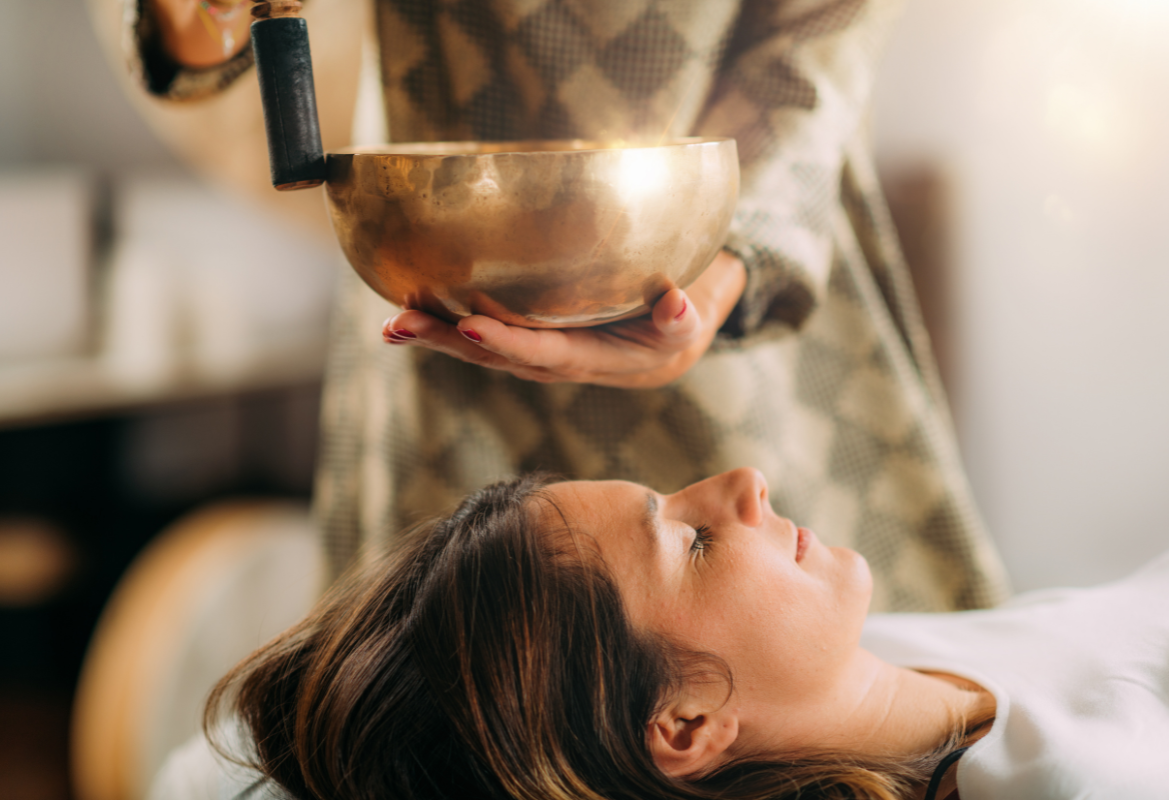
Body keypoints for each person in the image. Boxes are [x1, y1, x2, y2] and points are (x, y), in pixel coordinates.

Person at [126, 0, 1009, 612]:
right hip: (433, 309)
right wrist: (207, 12)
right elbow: (203, 41)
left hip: (729, 293)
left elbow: (820, 38)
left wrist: (721, 273)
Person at [153, 468, 1169, 800]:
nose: (742, 482)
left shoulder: (857, 661)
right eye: (695, 542)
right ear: (689, 720)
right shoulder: (1097, 773)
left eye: (674, 498)